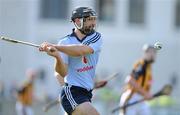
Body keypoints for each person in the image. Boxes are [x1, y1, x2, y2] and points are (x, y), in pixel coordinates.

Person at [39, 7, 105, 115]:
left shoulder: (96, 37)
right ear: (78, 21)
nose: (93, 23)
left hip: (87, 94)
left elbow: (81, 50)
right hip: (72, 93)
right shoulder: (64, 42)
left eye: (94, 19)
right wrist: (57, 57)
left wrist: (56, 47)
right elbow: (62, 73)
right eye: (89, 19)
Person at [119, 44, 157, 115]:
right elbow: (129, 80)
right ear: (145, 53)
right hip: (132, 98)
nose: (153, 55)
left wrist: (147, 94)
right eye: (150, 52)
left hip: (140, 99)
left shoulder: (149, 67)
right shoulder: (141, 65)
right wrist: (145, 93)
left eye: (154, 52)